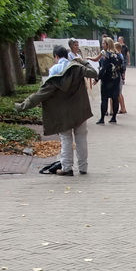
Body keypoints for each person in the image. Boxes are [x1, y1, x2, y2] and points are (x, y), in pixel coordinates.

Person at [15, 45, 92, 176]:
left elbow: (39, 95)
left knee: (66, 139)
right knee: (81, 138)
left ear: (55, 57)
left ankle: (67, 168)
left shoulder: (54, 77)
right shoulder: (77, 69)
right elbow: (94, 72)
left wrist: (22, 106)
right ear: (67, 56)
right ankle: (83, 167)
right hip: (79, 111)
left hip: (62, 114)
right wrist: (82, 61)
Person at [94, 36, 124, 124]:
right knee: (115, 98)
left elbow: (103, 69)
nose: (102, 44)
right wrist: (121, 76)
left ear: (107, 44)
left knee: (104, 98)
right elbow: (122, 68)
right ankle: (114, 117)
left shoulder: (106, 55)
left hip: (107, 80)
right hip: (116, 79)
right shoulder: (118, 55)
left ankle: (102, 118)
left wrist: (97, 79)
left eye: (103, 43)